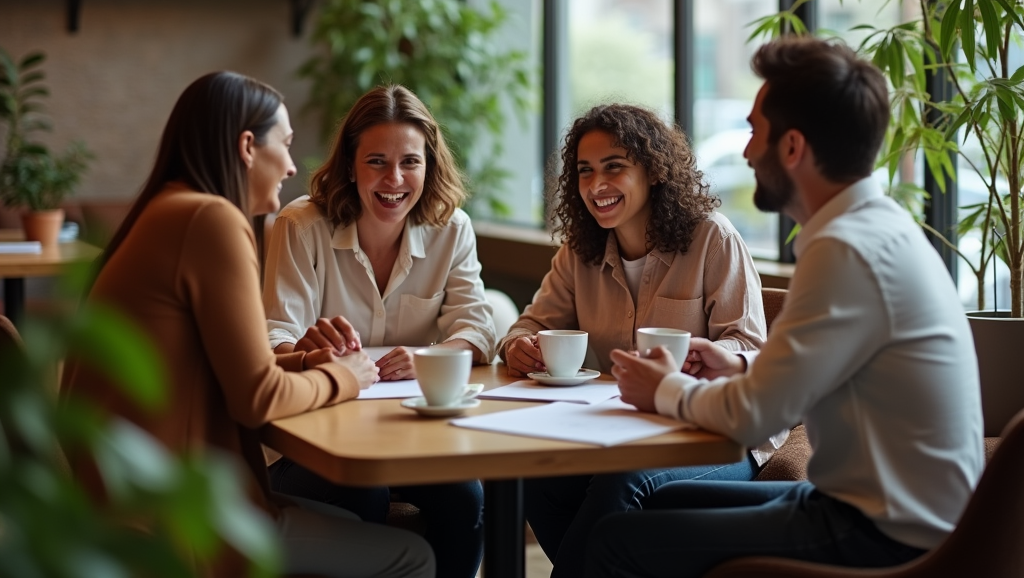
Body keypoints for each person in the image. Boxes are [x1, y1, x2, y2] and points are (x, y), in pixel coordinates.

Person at [595, 37, 986, 578]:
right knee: (656, 507)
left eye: (757, 131)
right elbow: (816, 370)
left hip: (884, 535)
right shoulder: (878, 229)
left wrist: (661, 388)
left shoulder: (846, 250)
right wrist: (740, 365)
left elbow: (756, 416)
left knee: (617, 542)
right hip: (883, 512)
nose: (749, 151)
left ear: (793, 147)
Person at [61, 72, 434, 578]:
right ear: (246, 147)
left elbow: (225, 358)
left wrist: (308, 361)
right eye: (284, 145)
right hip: (173, 515)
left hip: (127, 494)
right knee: (413, 556)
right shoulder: (210, 220)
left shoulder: (170, 209)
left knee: (351, 520)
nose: (289, 166)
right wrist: (348, 377)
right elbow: (256, 397)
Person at [497, 103, 779, 578]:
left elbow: (749, 348)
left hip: (720, 440)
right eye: (585, 172)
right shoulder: (579, 252)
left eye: (614, 168)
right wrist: (518, 346)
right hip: (620, 433)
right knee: (530, 477)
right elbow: (527, 325)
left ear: (652, 172)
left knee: (621, 483)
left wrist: (696, 365)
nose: (596, 185)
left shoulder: (713, 239)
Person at [263, 84, 491, 578]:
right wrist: (305, 351)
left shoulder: (453, 229)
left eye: (410, 161)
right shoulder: (301, 225)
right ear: (349, 165)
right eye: (377, 162)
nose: (395, 178)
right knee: (361, 492)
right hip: (316, 439)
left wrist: (433, 355)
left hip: (413, 436)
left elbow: (475, 326)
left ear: (428, 166)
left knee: (466, 497)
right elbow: (274, 334)